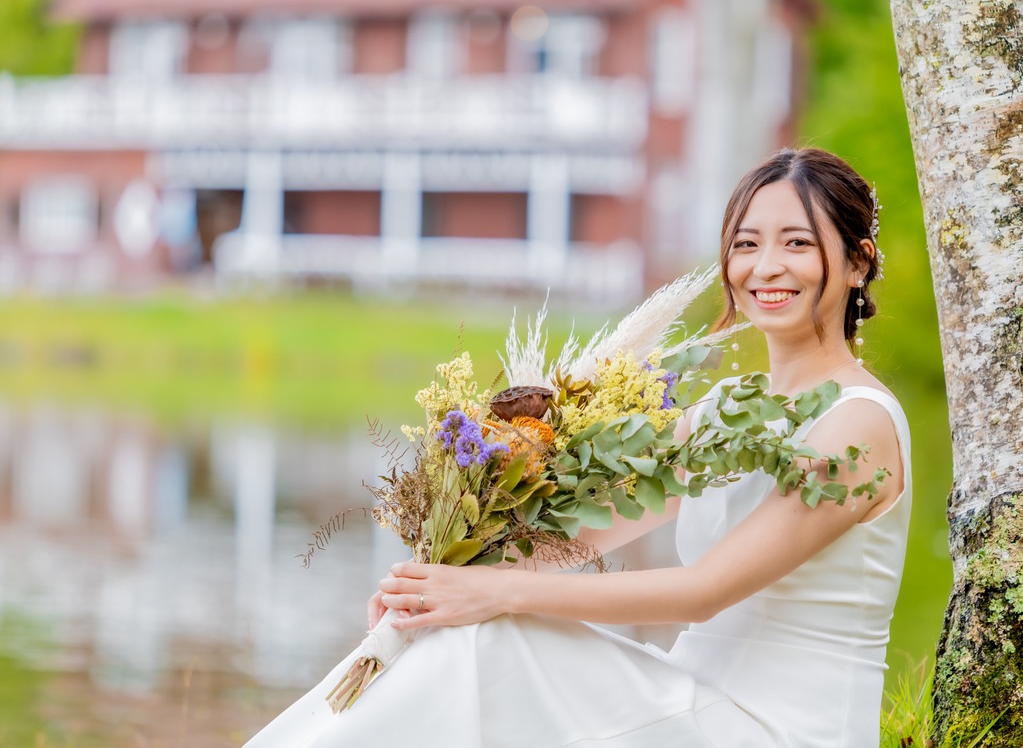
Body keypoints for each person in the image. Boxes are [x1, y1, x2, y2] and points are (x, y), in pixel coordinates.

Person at [243, 147, 910, 748]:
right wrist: (437, 587)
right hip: (696, 705)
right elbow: (586, 537)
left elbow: (704, 593)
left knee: (491, 632)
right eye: (746, 244)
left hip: (779, 729)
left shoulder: (859, 425)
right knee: (462, 634)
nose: (766, 267)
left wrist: (494, 595)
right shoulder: (720, 412)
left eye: (797, 243)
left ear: (857, 262)